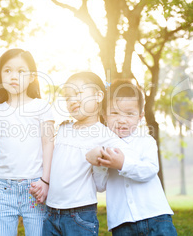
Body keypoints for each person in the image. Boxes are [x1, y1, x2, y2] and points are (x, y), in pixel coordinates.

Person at [0, 48, 55, 236]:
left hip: (35, 188)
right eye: (7, 70)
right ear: (0, 75)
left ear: (32, 77)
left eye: (21, 71)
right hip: (4, 190)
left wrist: (45, 181)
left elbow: (48, 145)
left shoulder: (41, 107)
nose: (13, 76)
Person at [43, 72, 130, 236]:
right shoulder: (63, 129)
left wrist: (100, 155)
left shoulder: (105, 134)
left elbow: (122, 158)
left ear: (98, 96)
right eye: (68, 98)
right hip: (51, 212)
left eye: (78, 93)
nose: (72, 101)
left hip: (80, 214)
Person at [87, 79, 177, 236]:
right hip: (122, 223)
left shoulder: (145, 140)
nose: (122, 119)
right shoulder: (104, 146)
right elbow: (100, 186)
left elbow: (150, 170)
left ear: (140, 116)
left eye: (129, 114)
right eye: (114, 113)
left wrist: (123, 164)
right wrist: (99, 162)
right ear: (104, 115)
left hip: (155, 216)